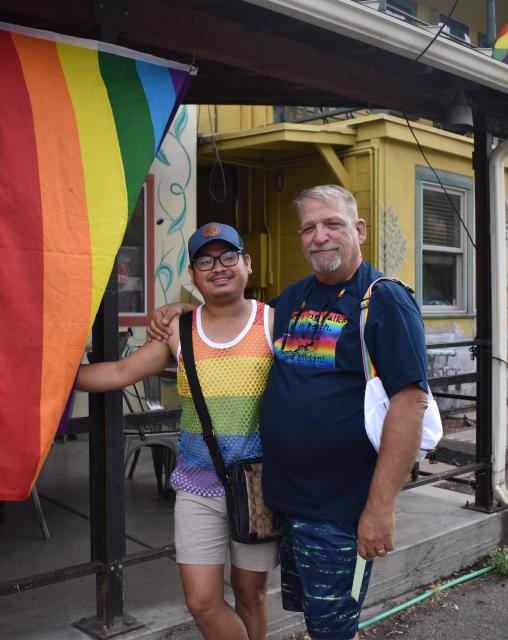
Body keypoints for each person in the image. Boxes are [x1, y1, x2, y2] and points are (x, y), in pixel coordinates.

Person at [149, 185, 428, 640]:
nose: (320, 236)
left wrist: (380, 508)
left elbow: (410, 402)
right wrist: (187, 310)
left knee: (335, 629)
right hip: (287, 503)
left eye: (332, 224)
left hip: (342, 507)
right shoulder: (294, 298)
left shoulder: (384, 300)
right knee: (315, 621)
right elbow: (233, 317)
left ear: (358, 230)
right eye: (309, 228)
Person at [76, 222, 277, 640]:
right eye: (205, 260)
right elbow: (119, 371)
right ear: (192, 274)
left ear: (247, 263)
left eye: (228, 256)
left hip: (260, 486)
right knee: (202, 600)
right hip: (197, 487)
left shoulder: (273, 323)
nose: (217, 267)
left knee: (250, 594)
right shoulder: (180, 331)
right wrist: (52, 379)